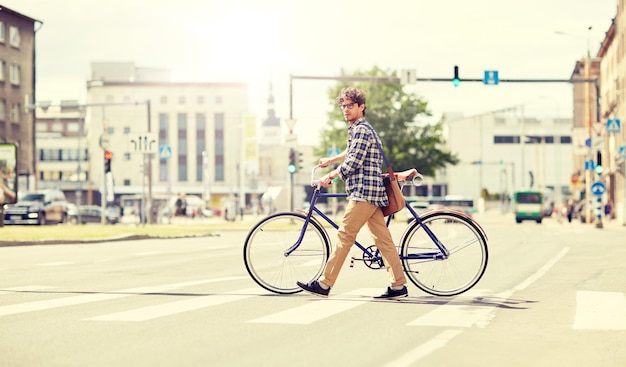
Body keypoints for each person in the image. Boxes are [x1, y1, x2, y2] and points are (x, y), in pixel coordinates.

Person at [296, 87, 408, 299]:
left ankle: (325, 283)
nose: (345, 110)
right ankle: (398, 285)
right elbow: (351, 152)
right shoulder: (361, 129)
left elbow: (354, 162)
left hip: (364, 193)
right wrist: (332, 160)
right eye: (343, 106)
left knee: (344, 236)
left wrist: (330, 175)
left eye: (350, 105)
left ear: (361, 106)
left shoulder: (362, 130)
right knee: (383, 241)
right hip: (371, 193)